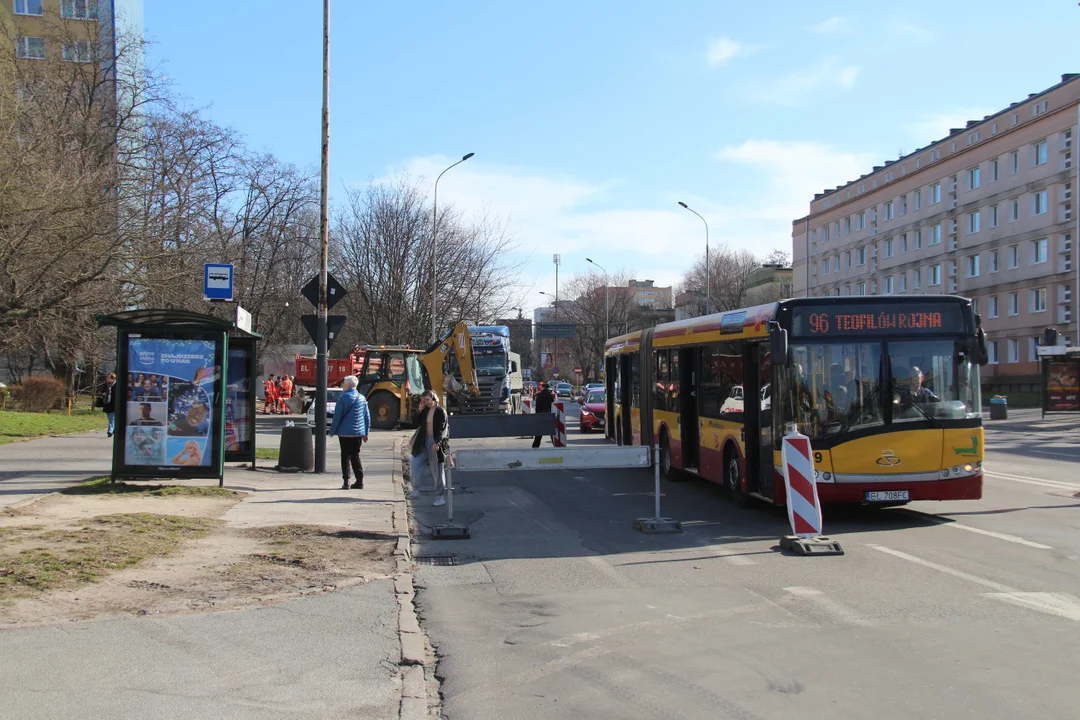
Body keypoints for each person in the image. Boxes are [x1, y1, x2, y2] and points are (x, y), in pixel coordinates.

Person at [328, 375, 371, 490]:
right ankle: (359, 481)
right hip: (358, 433)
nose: (342, 385)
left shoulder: (342, 398)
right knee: (355, 456)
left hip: (344, 432)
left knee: (345, 456)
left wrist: (332, 431)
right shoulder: (362, 398)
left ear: (347, 385)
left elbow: (337, 417)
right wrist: (366, 433)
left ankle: (346, 481)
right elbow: (367, 417)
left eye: (343, 383)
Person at [408, 390, 448, 506]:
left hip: (435, 442)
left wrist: (437, 443)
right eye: (424, 401)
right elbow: (415, 423)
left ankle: (440, 496)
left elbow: (442, 429)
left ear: (433, 398)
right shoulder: (425, 410)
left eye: (428, 400)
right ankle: (415, 490)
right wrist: (419, 411)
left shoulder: (440, 412)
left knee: (437, 470)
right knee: (415, 463)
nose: (426, 403)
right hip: (423, 441)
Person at [532, 381, 556, 448]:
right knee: (552, 433)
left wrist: (537, 416)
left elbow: (537, 407)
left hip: (540, 416)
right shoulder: (550, 396)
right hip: (549, 416)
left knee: (538, 435)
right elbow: (552, 406)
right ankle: (556, 446)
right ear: (548, 388)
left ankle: (535, 447)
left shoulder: (539, 395)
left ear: (542, 388)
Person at [101, 373, 117, 438]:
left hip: (114, 405)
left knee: (112, 418)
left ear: (113, 378)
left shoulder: (116, 385)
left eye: (109, 378)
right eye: (107, 377)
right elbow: (101, 391)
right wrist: (103, 393)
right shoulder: (105, 385)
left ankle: (110, 431)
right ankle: (113, 430)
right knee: (110, 418)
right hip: (107, 404)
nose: (107, 379)